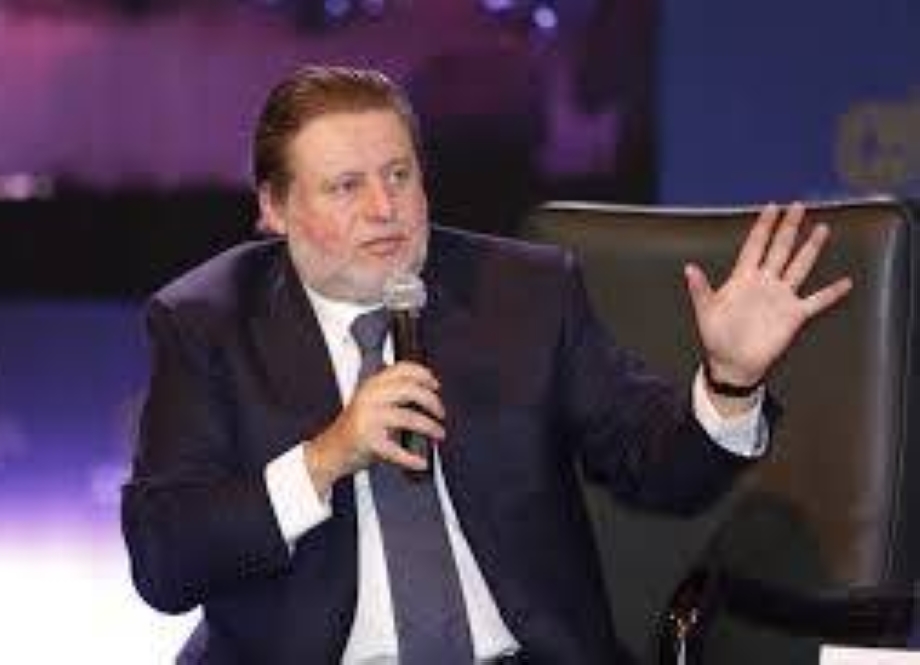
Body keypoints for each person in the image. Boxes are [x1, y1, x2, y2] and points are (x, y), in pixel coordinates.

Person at [121, 65, 852, 664]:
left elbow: (658, 468)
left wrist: (730, 381)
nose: (384, 207)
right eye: (346, 186)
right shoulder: (207, 324)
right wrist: (323, 458)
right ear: (274, 209)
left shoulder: (525, 293)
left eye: (399, 174)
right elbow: (166, 562)